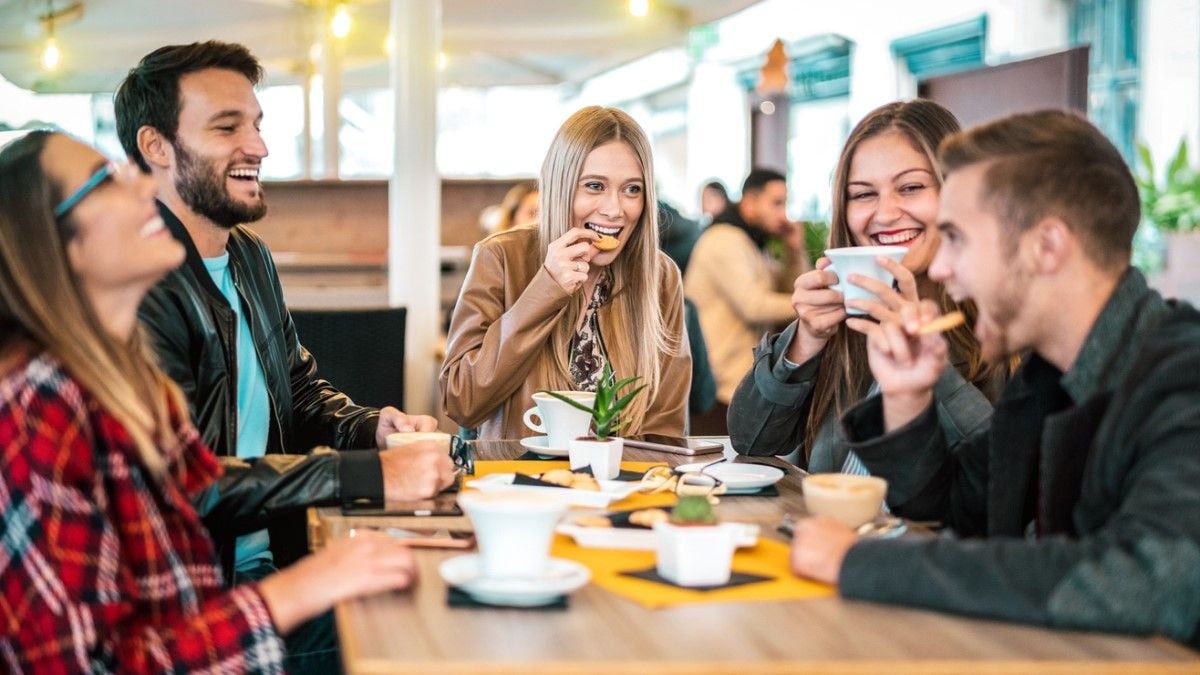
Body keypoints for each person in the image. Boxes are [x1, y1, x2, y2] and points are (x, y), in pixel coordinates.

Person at [0, 130, 422, 673]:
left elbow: (197, 487)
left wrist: (369, 450)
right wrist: (295, 590)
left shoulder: (135, 385)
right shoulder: (36, 412)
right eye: (107, 179)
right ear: (54, 245)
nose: (143, 185)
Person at [789, 110, 1200, 646]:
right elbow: (954, 511)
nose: (938, 269)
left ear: (1046, 247)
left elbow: (1153, 582)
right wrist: (909, 398)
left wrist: (863, 563)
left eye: (956, 238)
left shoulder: (1183, 377)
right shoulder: (1045, 379)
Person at [115, 41, 453, 671]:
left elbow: (296, 390)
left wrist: (372, 427)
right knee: (431, 629)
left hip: (274, 560)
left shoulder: (249, 256)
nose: (259, 147)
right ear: (156, 146)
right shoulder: (139, 285)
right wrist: (372, 475)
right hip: (198, 603)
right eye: (227, 126)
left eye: (257, 124)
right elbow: (185, 485)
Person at [727, 100, 1000, 472]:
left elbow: (1001, 478)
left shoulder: (1002, 326)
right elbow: (752, 441)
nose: (885, 214)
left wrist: (928, 368)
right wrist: (805, 340)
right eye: (863, 194)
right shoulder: (843, 322)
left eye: (911, 187)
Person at [441, 106, 690, 440]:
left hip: (622, 485)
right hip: (519, 482)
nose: (615, 210)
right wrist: (546, 289)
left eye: (632, 189)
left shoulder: (659, 276)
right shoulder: (501, 256)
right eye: (594, 186)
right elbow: (461, 401)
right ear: (561, 186)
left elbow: (665, 428)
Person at [685, 168, 808, 433]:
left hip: (738, 386)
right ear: (750, 202)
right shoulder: (723, 240)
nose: (784, 214)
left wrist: (794, 250)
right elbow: (754, 306)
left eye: (786, 204)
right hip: (717, 391)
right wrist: (813, 304)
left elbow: (790, 287)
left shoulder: (752, 243)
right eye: (777, 203)